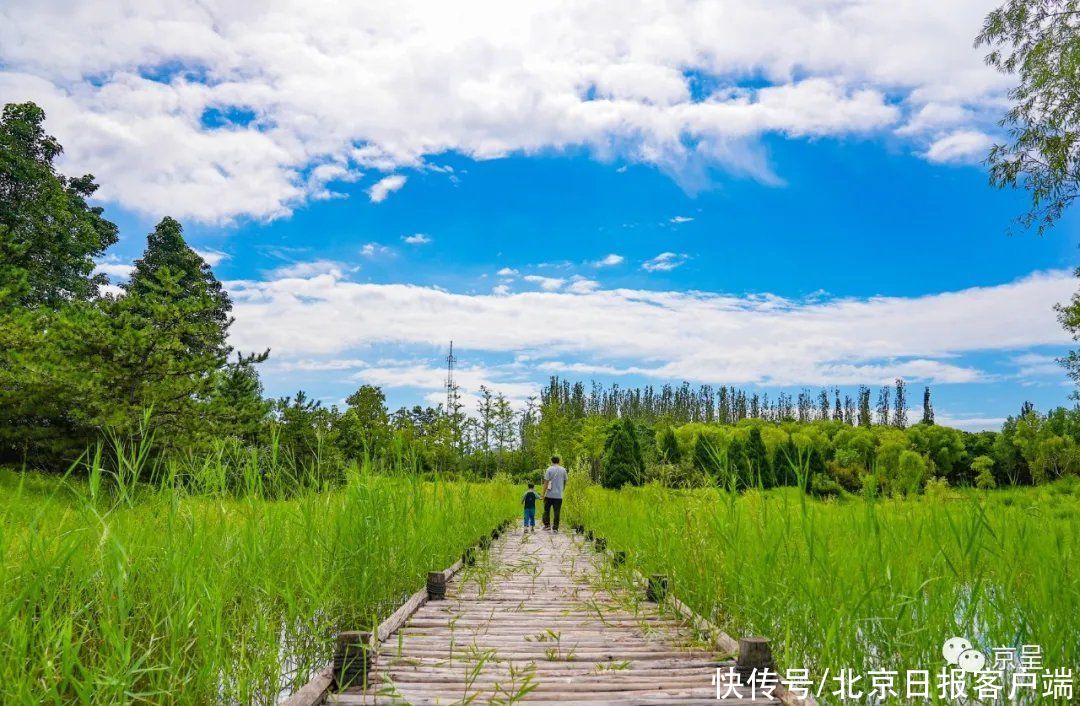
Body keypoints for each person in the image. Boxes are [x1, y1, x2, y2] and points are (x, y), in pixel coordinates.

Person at [542, 455, 568, 532]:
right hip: (559, 495)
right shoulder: (563, 470)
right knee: (557, 511)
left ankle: (547, 525)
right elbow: (565, 481)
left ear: (552, 461)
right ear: (559, 461)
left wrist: (542, 494)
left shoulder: (549, 469)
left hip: (549, 494)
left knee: (546, 510)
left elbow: (546, 483)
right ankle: (555, 527)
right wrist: (562, 489)